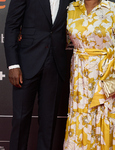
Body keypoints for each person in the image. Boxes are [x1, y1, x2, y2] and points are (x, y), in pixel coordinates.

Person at [63, 0, 115, 149]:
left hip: (107, 74)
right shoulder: (71, 8)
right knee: (81, 116)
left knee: (107, 116)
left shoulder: (113, 9)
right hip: (80, 75)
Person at [4, 0, 71, 149]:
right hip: (27, 63)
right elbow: (12, 26)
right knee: (20, 119)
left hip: (56, 63)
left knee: (49, 122)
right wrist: (13, 64)